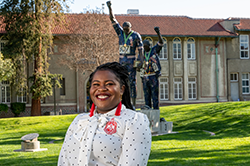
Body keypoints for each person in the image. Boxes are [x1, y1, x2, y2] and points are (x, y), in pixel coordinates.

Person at [58, 62, 151, 166]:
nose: (101, 88)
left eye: (109, 84)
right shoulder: (79, 120)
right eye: (96, 84)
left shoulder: (134, 121)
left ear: (122, 89)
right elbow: (63, 160)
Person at [106, 1, 143, 108]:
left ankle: (133, 104)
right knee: (121, 83)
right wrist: (110, 7)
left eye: (127, 30)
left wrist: (140, 61)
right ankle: (122, 104)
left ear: (130, 28)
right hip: (122, 61)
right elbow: (113, 19)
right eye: (124, 29)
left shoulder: (136, 36)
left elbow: (140, 50)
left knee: (132, 83)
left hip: (131, 62)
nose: (125, 31)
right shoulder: (120, 33)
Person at [140, 27, 163, 109]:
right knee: (147, 96)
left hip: (153, 76)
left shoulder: (154, 50)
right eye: (143, 46)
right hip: (145, 76)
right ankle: (148, 111)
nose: (144, 48)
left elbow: (161, 42)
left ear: (149, 46)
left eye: (145, 46)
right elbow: (138, 65)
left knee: (154, 96)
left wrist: (158, 33)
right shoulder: (142, 54)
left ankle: (156, 111)